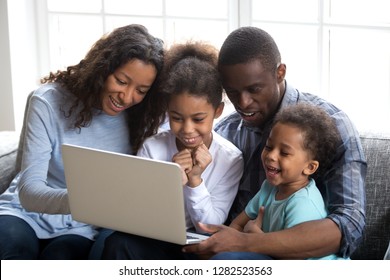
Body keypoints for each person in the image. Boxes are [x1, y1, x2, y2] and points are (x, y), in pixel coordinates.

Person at [183, 26, 367, 259]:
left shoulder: (333, 125)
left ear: (280, 72)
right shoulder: (225, 131)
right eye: (232, 92)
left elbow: (349, 225)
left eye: (254, 89)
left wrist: (247, 243)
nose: (243, 103)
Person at [0, 24, 165, 260]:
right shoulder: (46, 101)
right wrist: (89, 201)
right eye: (121, 81)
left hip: (79, 225)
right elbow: (29, 192)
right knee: (14, 251)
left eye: (141, 90)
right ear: (102, 69)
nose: (127, 97)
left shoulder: (141, 116)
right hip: (22, 212)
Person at [101, 41, 244, 260]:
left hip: (196, 244)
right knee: (118, 243)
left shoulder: (230, 158)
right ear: (168, 111)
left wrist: (195, 181)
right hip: (154, 240)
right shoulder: (153, 148)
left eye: (198, 119)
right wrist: (168, 183)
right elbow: (137, 214)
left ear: (217, 111)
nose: (187, 129)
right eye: (176, 118)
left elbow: (209, 226)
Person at [225, 103, 346, 260]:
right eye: (269, 147)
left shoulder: (303, 203)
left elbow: (292, 260)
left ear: (310, 167)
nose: (271, 156)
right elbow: (237, 225)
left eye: (284, 152)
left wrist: (255, 239)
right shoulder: (269, 187)